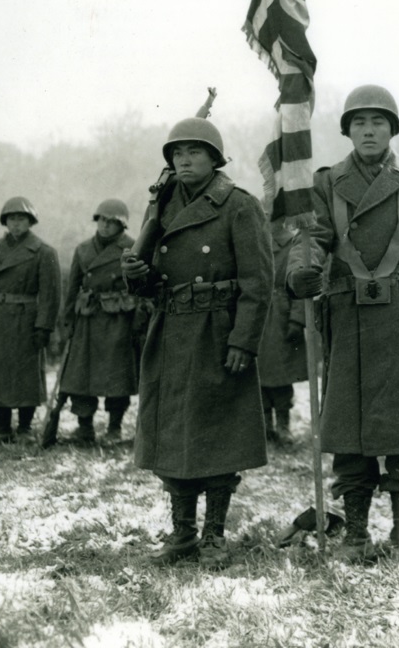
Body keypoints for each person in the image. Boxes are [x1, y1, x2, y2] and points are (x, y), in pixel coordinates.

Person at [286, 85, 399, 561]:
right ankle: (357, 534)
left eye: (378, 122)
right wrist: (300, 268)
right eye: (359, 123)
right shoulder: (326, 182)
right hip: (348, 315)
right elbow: (311, 236)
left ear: (393, 130)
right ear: (346, 131)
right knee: (350, 432)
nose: (368, 131)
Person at [122, 118, 272, 567]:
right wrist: (136, 277)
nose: (184, 160)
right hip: (169, 331)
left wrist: (243, 341)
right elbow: (149, 283)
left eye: (195, 152)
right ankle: (182, 534)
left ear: (215, 159)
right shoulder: (162, 207)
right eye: (177, 154)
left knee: (217, 436)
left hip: (216, 333)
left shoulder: (239, 206)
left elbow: (258, 282)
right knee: (174, 436)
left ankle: (214, 537)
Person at [0, 197, 61, 442]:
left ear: (30, 222)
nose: (16, 224)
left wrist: (44, 326)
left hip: (25, 321)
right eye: (12, 219)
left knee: (25, 374)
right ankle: (1, 427)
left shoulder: (43, 252)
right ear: (5, 222)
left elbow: (51, 295)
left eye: (21, 219)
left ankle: (24, 427)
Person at [59, 199, 149, 443]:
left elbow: (142, 290)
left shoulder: (133, 248)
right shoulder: (83, 249)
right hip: (87, 319)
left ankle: (114, 428)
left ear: (122, 225)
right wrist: (67, 321)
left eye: (113, 222)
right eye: (102, 220)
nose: (106, 226)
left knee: (116, 378)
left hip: (119, 320)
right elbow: (72, 289)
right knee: (80, 377)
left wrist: (139, 322)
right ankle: (84, 427)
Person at [259, 218, 309, 446]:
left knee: (280, 378)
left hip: (281, 317)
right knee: (258, 377)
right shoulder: (254, 243)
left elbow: (299, 286)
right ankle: (265, 426)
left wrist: (297, 319)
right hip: (257, 316)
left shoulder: (293, 245)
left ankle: (283, 426)